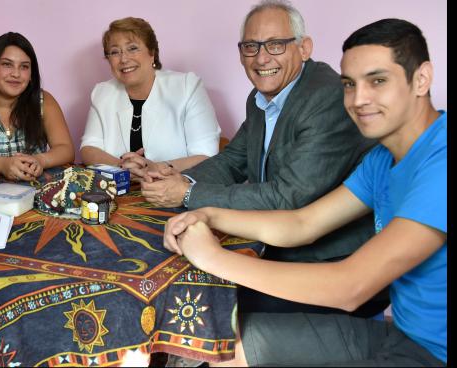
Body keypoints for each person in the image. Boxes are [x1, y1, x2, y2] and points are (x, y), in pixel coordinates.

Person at [164, 18, 446, 366]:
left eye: (378, 81)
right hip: (400, 336)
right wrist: (208, 213)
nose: (358, 99)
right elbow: (301, 223)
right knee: (216, 348)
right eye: (349, 84)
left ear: (421, 79)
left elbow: (350, 287)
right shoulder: (381, 159)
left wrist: (213, 258)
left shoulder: (441, 161)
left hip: (433, 354)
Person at [143, 0, 385, 317]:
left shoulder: (326, 97)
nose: (261, 58)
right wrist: (180, 179)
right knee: (186, 286)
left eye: (275, 44)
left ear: (304, 48)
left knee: (197, 305)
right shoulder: (260, 97)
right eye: (251, 47)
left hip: (326, 262)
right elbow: (233, 158)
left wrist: (188, 194)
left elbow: (289, 198)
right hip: (280, 243)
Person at [80, 17, 221, 179]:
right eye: (114, 52)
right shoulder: (102, 92)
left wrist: (156, 167)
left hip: (175, 190)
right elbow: (89, 148)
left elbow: (206, 156)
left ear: (152, 53)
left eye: (132, 48)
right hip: (119, 193)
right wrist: (122, 167)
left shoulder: (186, 86)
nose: (124, 59)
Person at [0, 32, 74, 182]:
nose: (16, 74)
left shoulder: (44, 101)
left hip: (35, 188)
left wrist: (40, 160)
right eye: (7, 64)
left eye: (24, 67)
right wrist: (3, 164)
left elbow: (65, 148)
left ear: (32, 74)